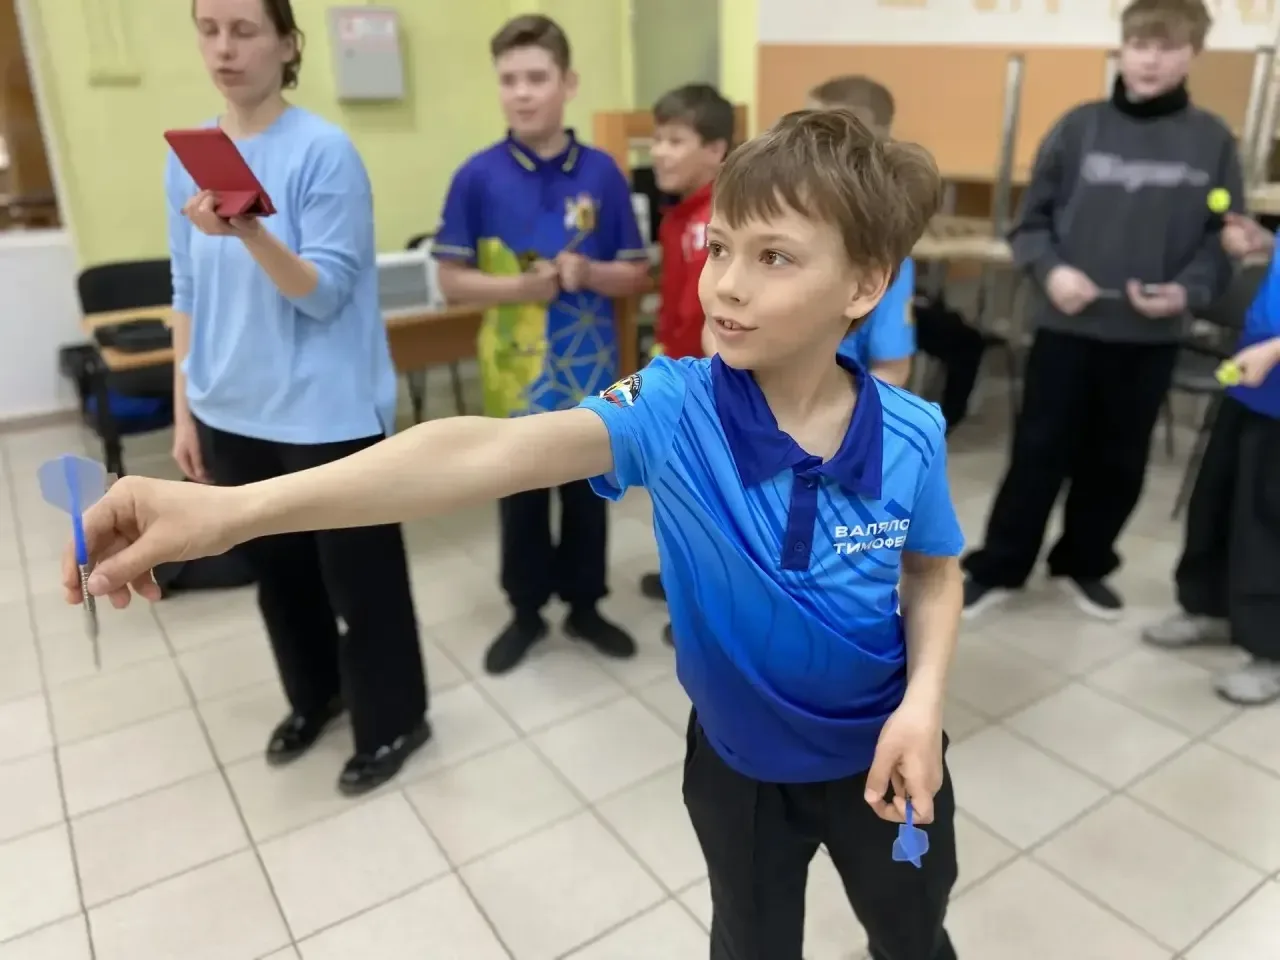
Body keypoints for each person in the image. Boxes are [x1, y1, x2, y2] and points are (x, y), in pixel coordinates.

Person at [67, 109, 963, 960]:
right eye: (720, 246)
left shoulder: (911, 431)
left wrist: (923, 706)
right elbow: (479, 451)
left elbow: (931, 573)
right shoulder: (675, 409)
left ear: (864, 285)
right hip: (741, 773)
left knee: (912, 937)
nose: (726, 282)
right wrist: (233, 509)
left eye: (774, 257)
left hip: (891, 758)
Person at [166, 0, 428, 795]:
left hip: (325, 410)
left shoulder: (323, 150)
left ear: (286, 44)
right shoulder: (192, 155)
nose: (224, 47)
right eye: (209, 29)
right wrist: (185, 405)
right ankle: (317, 696)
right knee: (279, 578)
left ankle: (395, 720)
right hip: (229, 406)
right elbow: (185, 289)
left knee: (361, 582)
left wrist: (249, 228)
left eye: (244, 30)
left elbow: (324, 293)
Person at [962, 0, 1241, 621]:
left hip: (1149, 338)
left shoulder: (1214, 142)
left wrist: (1186, 291)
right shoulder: (1077, 128)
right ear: (1122, 48)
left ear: (1194, 54)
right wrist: (1053, 271)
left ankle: (1083, 563)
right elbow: (1029, 224)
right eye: (1140, 45)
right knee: (1038, 452)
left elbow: (1222, 234)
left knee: (1118, 462)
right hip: (1066, 329)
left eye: (1167, 48)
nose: (1150, 60)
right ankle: (1001, 565)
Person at [431, 14, 651, 675]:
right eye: (509, 80)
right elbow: (450, 281)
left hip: (590, 375)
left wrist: (591, 274)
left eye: (536, 77)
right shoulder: (476, 176)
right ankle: (525, 610)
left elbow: (636, 273)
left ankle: (585, 604)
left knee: (590, 492)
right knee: (519, 495)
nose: (522, 92)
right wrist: (520, 289)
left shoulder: (603, 174)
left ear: (568, 83)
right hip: (514, 375)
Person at [1143, 214, 1280, 705]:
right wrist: (1266, 242)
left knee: (1269, 521)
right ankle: (1208, 606)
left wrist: (1276, 350)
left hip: (1272, 377)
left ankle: (1269, 649)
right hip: (1249, 380)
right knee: (1216, 501)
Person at [636, 83, 735, 641]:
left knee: (711, 501)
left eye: (675, 140)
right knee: (682, 491)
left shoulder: (723, 218)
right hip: (678, 374)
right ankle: (684, 581)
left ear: (715, 149)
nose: (659, 152)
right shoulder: (677, 215)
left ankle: (706, 610)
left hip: (712, 383)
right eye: (657, 139)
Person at [806, 77, 916, 388]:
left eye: (822, 137)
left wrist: (834, 414)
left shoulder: (885, 254)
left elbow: (892, 369)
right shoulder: (774, 227)